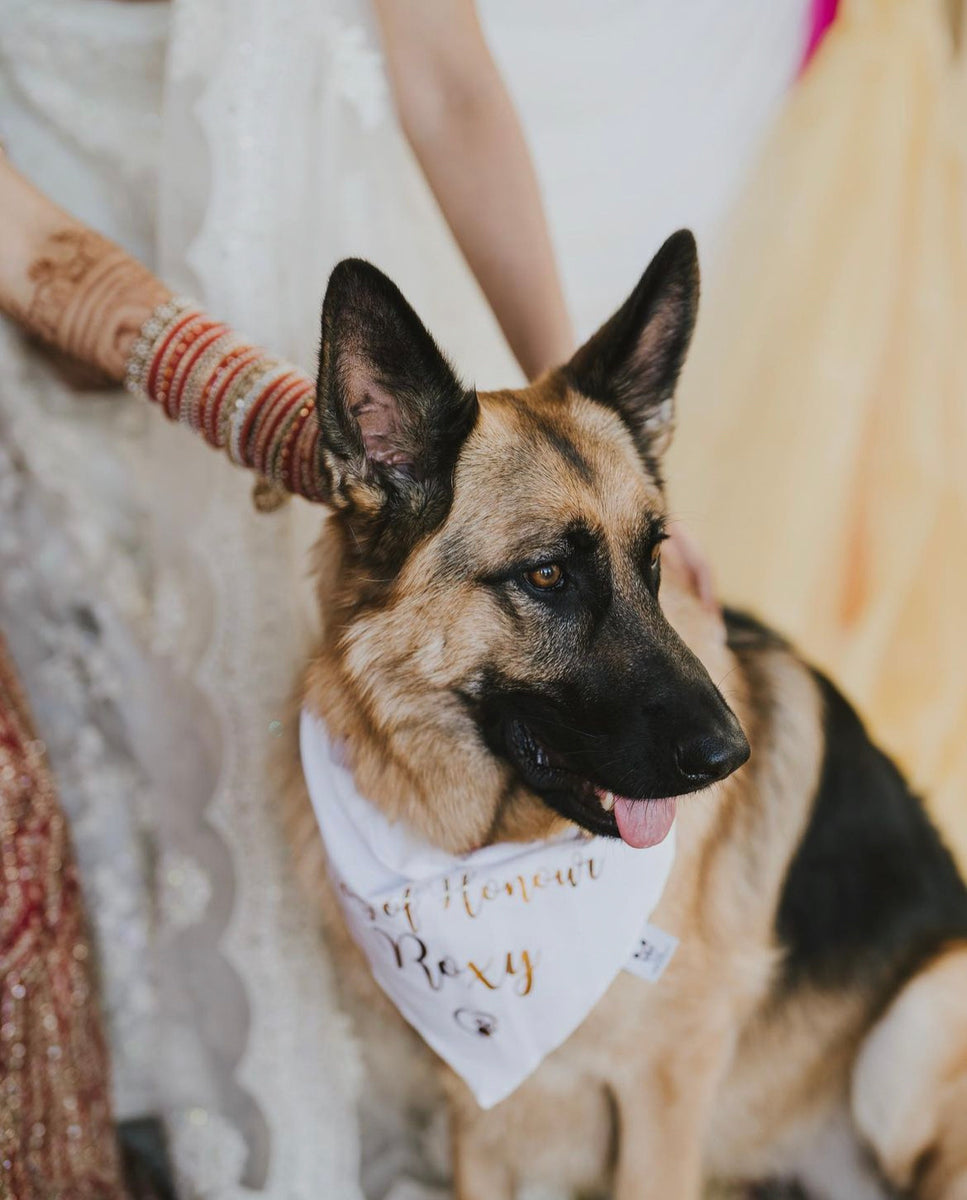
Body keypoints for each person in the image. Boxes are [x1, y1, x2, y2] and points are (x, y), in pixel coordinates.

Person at [0, 2, 811, 1195]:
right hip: (90, 348)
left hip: (342, 348)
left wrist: (598, 439)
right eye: (547, 581)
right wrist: (255, 404)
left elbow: (452, 82)